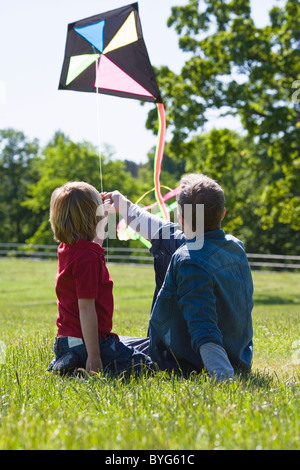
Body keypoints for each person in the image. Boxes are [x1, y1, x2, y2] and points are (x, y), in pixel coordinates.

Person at [105, 174, 254, 381]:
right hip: (236, 356)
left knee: (97, 348)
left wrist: (223, 376)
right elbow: (164, 233)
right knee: (115, 341)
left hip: (188, 361)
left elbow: (204, 325)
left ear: (180, 217)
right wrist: (125, 207)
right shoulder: (234, 246)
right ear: (223, 214)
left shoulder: (189, 261)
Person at [47, 181, 153, 376]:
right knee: (145, 365)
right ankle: (78, 369)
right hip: (88, 343)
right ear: (90, 217)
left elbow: (93, 244)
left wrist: (102, 216)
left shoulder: (69, 249)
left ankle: (67, 361)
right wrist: (94, 356)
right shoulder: (87, 258)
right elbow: (86, 308)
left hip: (64, 341)